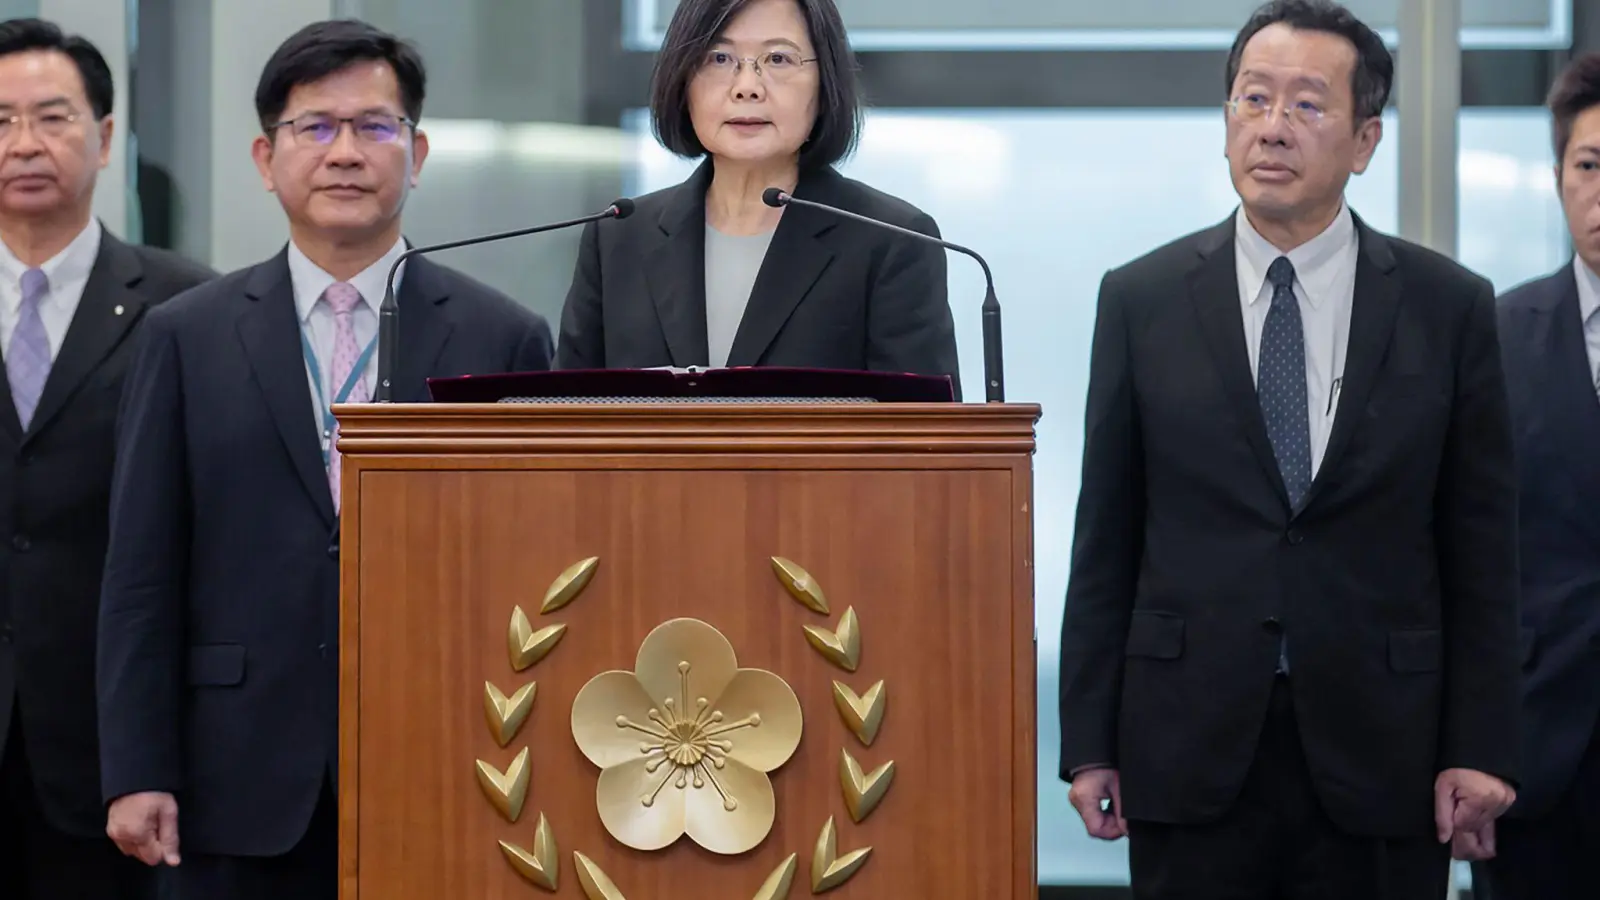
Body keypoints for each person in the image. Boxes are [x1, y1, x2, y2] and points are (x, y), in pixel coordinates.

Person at [1056, 1, 1522, 896]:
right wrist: (1088, 744)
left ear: (1366, 139)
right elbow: (1106, 538)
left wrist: (1481, 747)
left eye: (1307, 105)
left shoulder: (1449, 306)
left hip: (1385, 750)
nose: (1272, 127)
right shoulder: (1139, 299)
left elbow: (1481, 549)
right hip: (1186, 744)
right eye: (1251, 99)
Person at [94, 19, 553, 899]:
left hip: (451, 761)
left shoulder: (504, 338)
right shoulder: (185, 337)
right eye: (316, 127)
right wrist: (136, 767)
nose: (346, 152)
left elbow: (535, 569)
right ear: (266, 159)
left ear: (416, 154)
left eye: (374, 127)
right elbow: (140, 573)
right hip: (230, 774)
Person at [0, 17, 214, 899]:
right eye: (0, 120)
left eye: (51, 117)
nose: (23, 144)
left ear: (106, 137)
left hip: (106, 753)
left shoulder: (187, 307)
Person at [555, 0, 962, 398]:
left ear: (825, 84)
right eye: (718, 59)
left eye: (779, 60)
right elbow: (562, 424)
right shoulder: (618, 238)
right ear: (682, 81)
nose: (747, 88)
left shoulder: (892, 242)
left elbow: (925, 445)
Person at [1470, 52, 1600, 900]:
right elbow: (1457, 555)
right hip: (1537, 752)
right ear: (1557, 176)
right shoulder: (1494, 335)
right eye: (1591, 166)